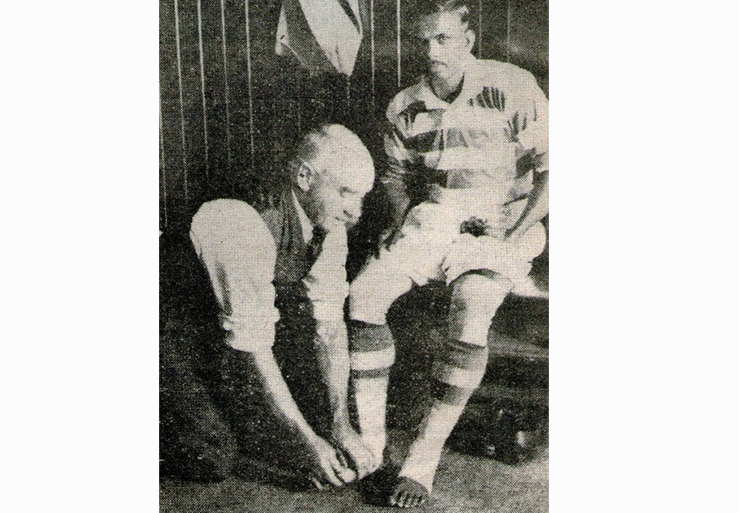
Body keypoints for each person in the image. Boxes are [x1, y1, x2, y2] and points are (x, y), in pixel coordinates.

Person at [347, 1, 549, 507]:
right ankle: (372, 449)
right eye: (422, 41)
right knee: (363, 296)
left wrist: (512, 234)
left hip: (507, 219)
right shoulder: (404, 106)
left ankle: (422, 458)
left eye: (443, 39)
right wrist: (398, 221)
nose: (431, 51)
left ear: (468, 39)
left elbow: (553, 172)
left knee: (472, 303)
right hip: (434, 218)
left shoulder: (513, 86)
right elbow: (396, 179)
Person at [186, 124, 378, 488]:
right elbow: (253, 343)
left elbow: (329, 325)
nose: (356, 212)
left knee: (312, 416)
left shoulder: (328, 221)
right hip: (166, 331)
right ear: (305, 176)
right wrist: (308, 444)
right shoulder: (239, 218)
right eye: (346, 193)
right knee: (212, 453)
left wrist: (340, 425)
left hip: (226, 326)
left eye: (362, 198)